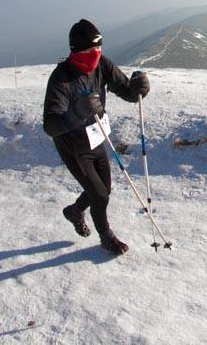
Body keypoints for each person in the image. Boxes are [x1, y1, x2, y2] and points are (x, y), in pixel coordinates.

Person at [42, 19, 150, 255]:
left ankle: (74, 210)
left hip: (96, 136)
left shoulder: (102, 64)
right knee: (99, 195)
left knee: (104, 189)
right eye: (91, 50)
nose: (97, 54)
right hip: (73, 145)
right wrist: (76, 113)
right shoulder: (61, 79)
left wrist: (140, 88)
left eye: (99, 48)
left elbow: (127, 91)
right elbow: (50, 125)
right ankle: (106, 237)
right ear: (76, 50)